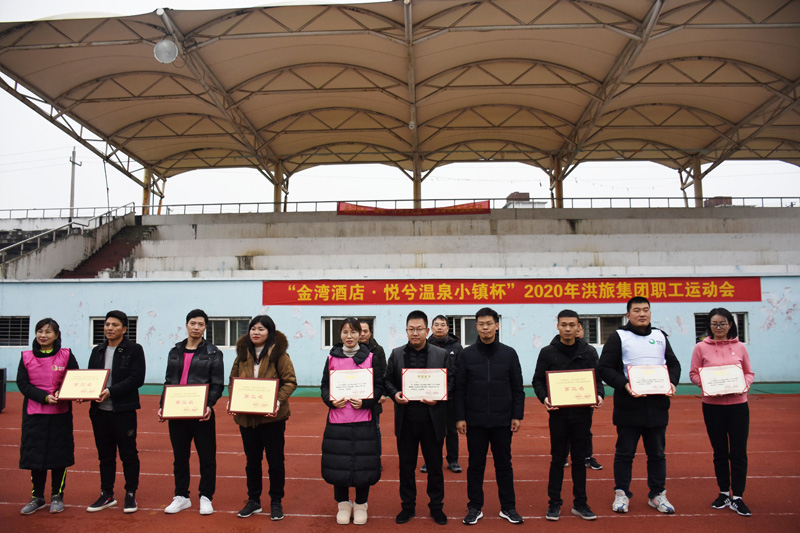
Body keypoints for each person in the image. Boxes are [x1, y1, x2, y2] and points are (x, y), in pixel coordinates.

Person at [597, 296, 681, 515]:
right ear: (628, 314)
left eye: (646, 310)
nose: (642, 314)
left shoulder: (660, 336)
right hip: (629, 406)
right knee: (625, 454)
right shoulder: (619, 336)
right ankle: (622, 494)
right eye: (636, 310)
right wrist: (625, 385)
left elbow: (673, 364)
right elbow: (604, 368)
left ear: (650, 313)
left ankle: (657, 494)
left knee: (657, 454)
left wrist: (672, 382)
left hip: (657, 405)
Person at [532, 310, 604, 521]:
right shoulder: (548, 352)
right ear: (558, 326)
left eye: (572, 325)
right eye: (564, 325)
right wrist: (545, 398)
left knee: (580, 460)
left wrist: (599, 395)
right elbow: (538, 380)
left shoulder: (588, 351)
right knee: (557, 459)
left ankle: (580, 504)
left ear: (579, 327)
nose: (568, 329)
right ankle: (554, 503)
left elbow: (597, 380)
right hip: (558, 415)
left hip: (582, 414)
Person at [455, 307, 525, 525]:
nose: (485, 328)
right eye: (481, 324)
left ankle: (508, 507)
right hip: (475, 421)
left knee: (504, 464)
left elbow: (517, 387)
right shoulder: (466, 355)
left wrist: (517, 415)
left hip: (502, 421)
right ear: (476, 327)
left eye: (489, 324)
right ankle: (474, 507)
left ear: (497, 325)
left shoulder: (509, 353)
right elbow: (459, 388)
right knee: (475, 465)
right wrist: (460, 417)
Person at [384, 310, 452, 525]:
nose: (415, 333)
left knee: (435, 467)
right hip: (406, 422)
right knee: (406, 467)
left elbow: (451, 382)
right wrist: (395, 394)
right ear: (406, 331)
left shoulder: (441, 355)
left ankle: (436, 507)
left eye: (419, 329)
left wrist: (438, 398)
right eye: (411, 329)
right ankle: (407, 506)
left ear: (427, 330)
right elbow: (387, 381)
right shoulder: (396, 354)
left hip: (432, 421)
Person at [230, 315, 297, 520]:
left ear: (270, 332)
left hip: (272, 419)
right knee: (252, 461)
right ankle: (254, 500)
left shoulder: (279, 354)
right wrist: (233, 399)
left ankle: (276, 501)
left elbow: (290, 381)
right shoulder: (242, 354)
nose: (256, 333)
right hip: (247, 419)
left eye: (261, 329)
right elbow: (233, 380)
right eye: (253, 329)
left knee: (275, 461)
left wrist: (277, 401)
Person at [689, 308, 755, 517]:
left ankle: (738, 497)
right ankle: (724, 492)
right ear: (709, 326)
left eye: (723, 323)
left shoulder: (740, 347)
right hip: (712, 406)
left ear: (730, 325)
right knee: (719, 451)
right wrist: (707, 385)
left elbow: (749, 373)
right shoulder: (700, 347)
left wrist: (744, 385)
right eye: (715, 324)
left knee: (738, 452)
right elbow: (693, 374)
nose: (719, 327)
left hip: (738, 406)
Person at [158, 309, 224, 515]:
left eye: (200, 324)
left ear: (205, 328)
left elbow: (217, 384)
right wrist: (163, 405)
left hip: (201, 414)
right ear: (186, 325)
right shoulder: (175, 351)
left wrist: (209, 405)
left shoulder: (213, 353)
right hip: (177, 412)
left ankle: (206, 497)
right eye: (193, 323)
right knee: (180, 457)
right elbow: (169, 381)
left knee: (207, 458)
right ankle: (181, 496)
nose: (196, 327)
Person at [320, 317, 384, 525]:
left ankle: (361, 503)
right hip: (338, 420)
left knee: (364, 463)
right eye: (345, 332)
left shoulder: (371, 358)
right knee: (338, 462)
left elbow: (379, 386)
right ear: (340, 334)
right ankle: (343, 503)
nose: (349, 336)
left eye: (354, 332)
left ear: (361, 334)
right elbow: (324, 386)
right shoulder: (332, 358)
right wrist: (330, 400)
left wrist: (366, 402)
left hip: (363, 420)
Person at [85, 310, 146, 514]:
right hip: (99, 413)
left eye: (115, 325)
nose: (109, 328)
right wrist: (84, 393)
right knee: (105, 456)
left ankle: (130, 493)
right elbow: (91, 378)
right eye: (107, 324)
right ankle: (107, 494)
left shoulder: (134, 350)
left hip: (123, 412)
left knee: (129, 454)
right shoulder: (98, 350)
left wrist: (111, 392)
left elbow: (137, 378)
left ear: (124, 329)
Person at [17, 318, 79, 515]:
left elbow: (74, 378)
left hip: (60, 415)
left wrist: (63, 392)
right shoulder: (26, 356)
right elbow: (23, 384)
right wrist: (43, 397)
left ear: (56, 335)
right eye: (40, 331)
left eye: (48, 332)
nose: (43, 335)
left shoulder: (66, 355)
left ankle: (57, 496)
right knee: (35, 455)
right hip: (34, 415)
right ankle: (37, 497)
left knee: (59, 455)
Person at [421, 315, 463, 474]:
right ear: (431, 328)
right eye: (436, 324)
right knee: (430, 430)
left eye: (442, 325)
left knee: (451, 430)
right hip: (429, 396)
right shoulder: (424, 344)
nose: (439, 327)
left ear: (447, 328)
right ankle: (429, 461)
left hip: (450, 396)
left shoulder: (457, 347)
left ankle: (453, 460)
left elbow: (459, 372)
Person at [577, 322, 603, 471]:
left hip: (585, 396)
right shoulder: (554, 350)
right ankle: (563, 456)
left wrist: (599, 393)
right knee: (563, 428)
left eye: (578, 328)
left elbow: (597, 373)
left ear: (582, 331)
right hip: (564, 396)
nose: (574, 331)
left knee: (585, 428)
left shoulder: (590, 351)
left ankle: (588, 457)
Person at [359, 320, 387, 458]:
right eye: (359, 331)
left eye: (365, 331)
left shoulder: (378, 350)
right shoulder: (349, 350)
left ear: (370, 333)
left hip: (373, 397)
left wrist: (382, 393)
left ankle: (376, 458)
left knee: (374, 428)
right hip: (354, 396)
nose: (362, 334)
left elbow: (383, 373)